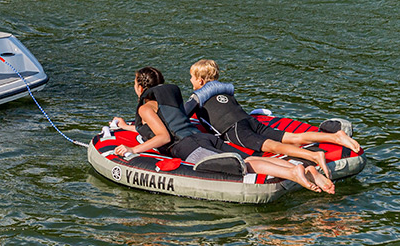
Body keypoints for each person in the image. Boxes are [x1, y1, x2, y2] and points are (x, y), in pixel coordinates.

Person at [111, 67, 333, 194]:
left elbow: (163, 136)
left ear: (140, 88)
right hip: (202, 137)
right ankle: (308, 169)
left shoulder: (145, 107)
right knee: (249, 156)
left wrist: (134, 148)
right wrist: (125, 126)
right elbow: (164, 124)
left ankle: (292, 173)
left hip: (187, 147)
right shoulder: (167, 101)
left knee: (245, 165)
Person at [183, 58, 361, 178]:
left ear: (200, 80)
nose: (190, 80)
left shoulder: (198, 96)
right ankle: (335, 137)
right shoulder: (224, 90)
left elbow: (182, 114)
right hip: (248, 120)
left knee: (273, 146)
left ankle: (314, 156)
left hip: (234, 129)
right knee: (291, 137)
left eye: (191, 77)